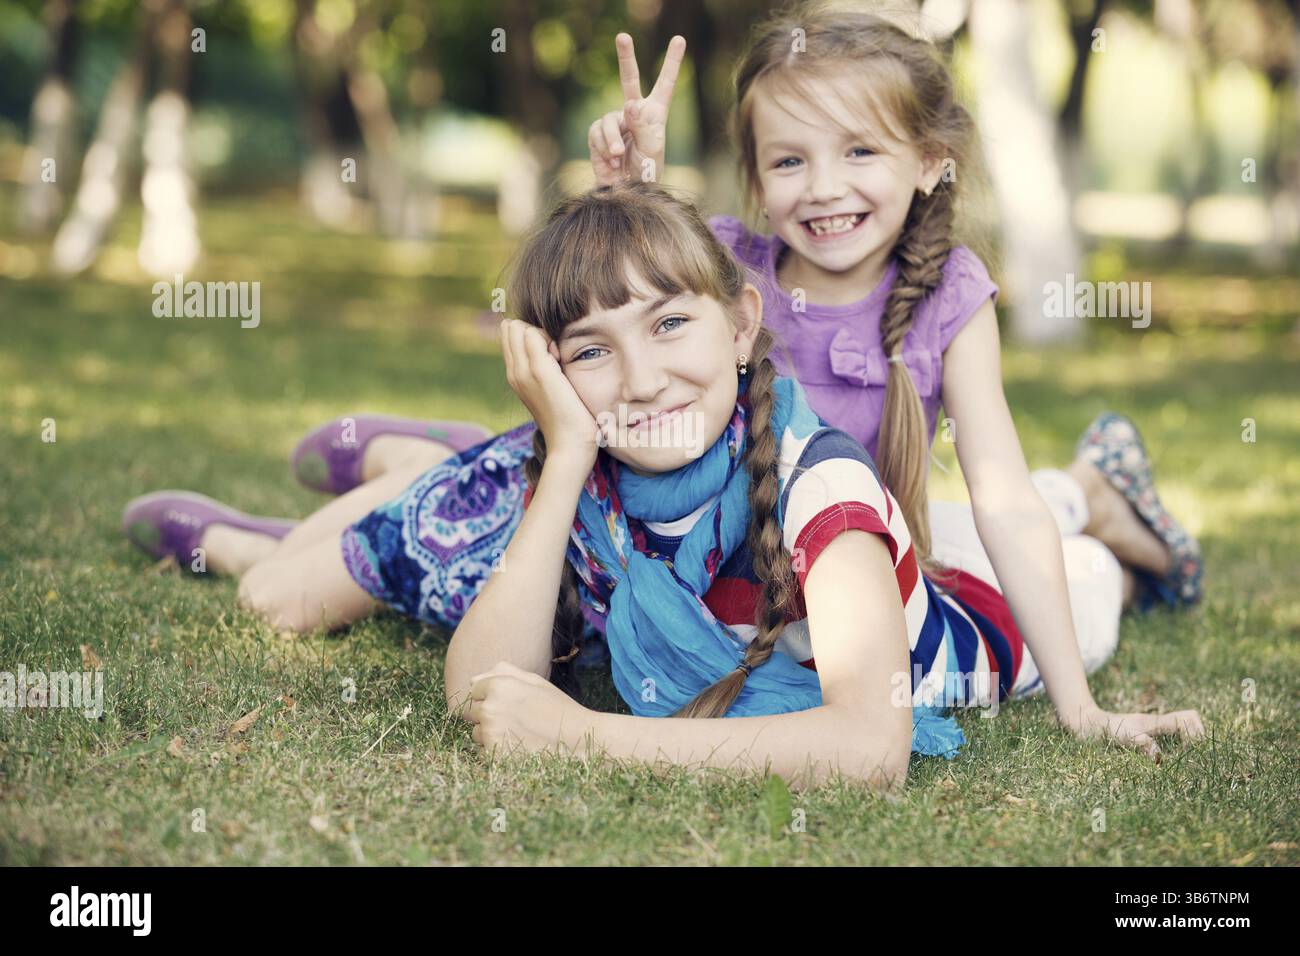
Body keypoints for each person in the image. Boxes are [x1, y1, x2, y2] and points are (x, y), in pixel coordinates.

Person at [122, 183, 1204, 787]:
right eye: (588, 350)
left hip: (983, 622)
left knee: (1079, 563)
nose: (638, 378)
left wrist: (587, 735)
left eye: (670, 323)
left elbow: (865, 745)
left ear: (743, 325)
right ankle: (415, 463)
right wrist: (563, 464)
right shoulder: (593, 461)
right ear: (548, 371)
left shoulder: (819, 485)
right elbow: (479, 688)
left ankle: (1101, 503)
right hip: (878, 562)